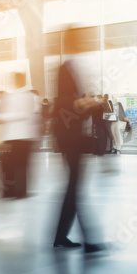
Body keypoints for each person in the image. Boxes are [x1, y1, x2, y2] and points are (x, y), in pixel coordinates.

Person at [51, 26, 103, 252]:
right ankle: (87, 240)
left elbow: (75, 103)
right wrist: (79, 104)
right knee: (75, 186)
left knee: (74, 186)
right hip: (69, 137)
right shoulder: (65, 68)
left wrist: (89, 105)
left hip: (76, 136)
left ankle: (61, 235)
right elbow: (61, 102)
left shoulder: (76, 68)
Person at [0, 72, 36, 199]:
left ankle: (14, 191)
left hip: (19, 135)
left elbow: (24, 114)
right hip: (19, 135)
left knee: (15, 164)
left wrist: (4, 116)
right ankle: (16, 191)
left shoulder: (24, 96)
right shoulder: (24, 95)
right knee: (18, 164)